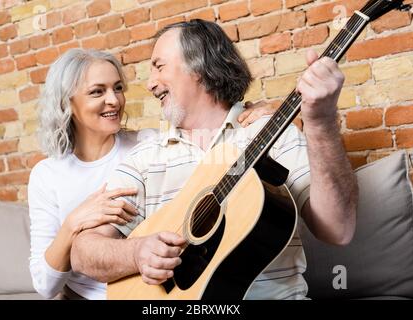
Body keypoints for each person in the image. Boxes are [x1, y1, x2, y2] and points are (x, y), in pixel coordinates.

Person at [70, 20, 358, 299]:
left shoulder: (272, 133)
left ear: (199, 66)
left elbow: (338, 230)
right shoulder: (144, 158)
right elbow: (83, 253)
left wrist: (321, 123)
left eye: (158, 66)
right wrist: (135, 253)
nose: (149, 84)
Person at [28, 48, 270, 300]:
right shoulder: (47, 175)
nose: (114, 100)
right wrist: (73, 223)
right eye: (97, 91)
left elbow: (214, 141)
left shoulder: (150, 145)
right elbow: (45, 286)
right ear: (66, 103)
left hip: (151, 293)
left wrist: (250, 115)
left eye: (118, 88)